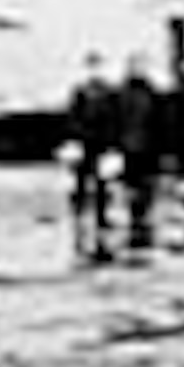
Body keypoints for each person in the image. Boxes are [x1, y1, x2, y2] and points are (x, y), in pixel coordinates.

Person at [64, 51, 120, 264]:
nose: (94, 72)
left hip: (102, 150)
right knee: (80, 195)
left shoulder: (110, 94)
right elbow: (72, 121)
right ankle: (81, 241)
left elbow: (114, 124)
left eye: (98, 67)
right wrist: (72, 143)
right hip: (83, 150)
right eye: (91, 67)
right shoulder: (79, 93)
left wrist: (113, 150)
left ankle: (102, 242)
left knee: (103, 198)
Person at [114, 52, 166, 255]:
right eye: (135, 66)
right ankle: (134, 224)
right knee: (131, 189)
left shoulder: (153, 94)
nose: (138, 69)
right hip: (129, 148)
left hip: (149, 149)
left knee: (148, 188)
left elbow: (161, 122)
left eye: (142, 66)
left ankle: (145, 226)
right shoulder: (121, 94)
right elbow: (115, 122)